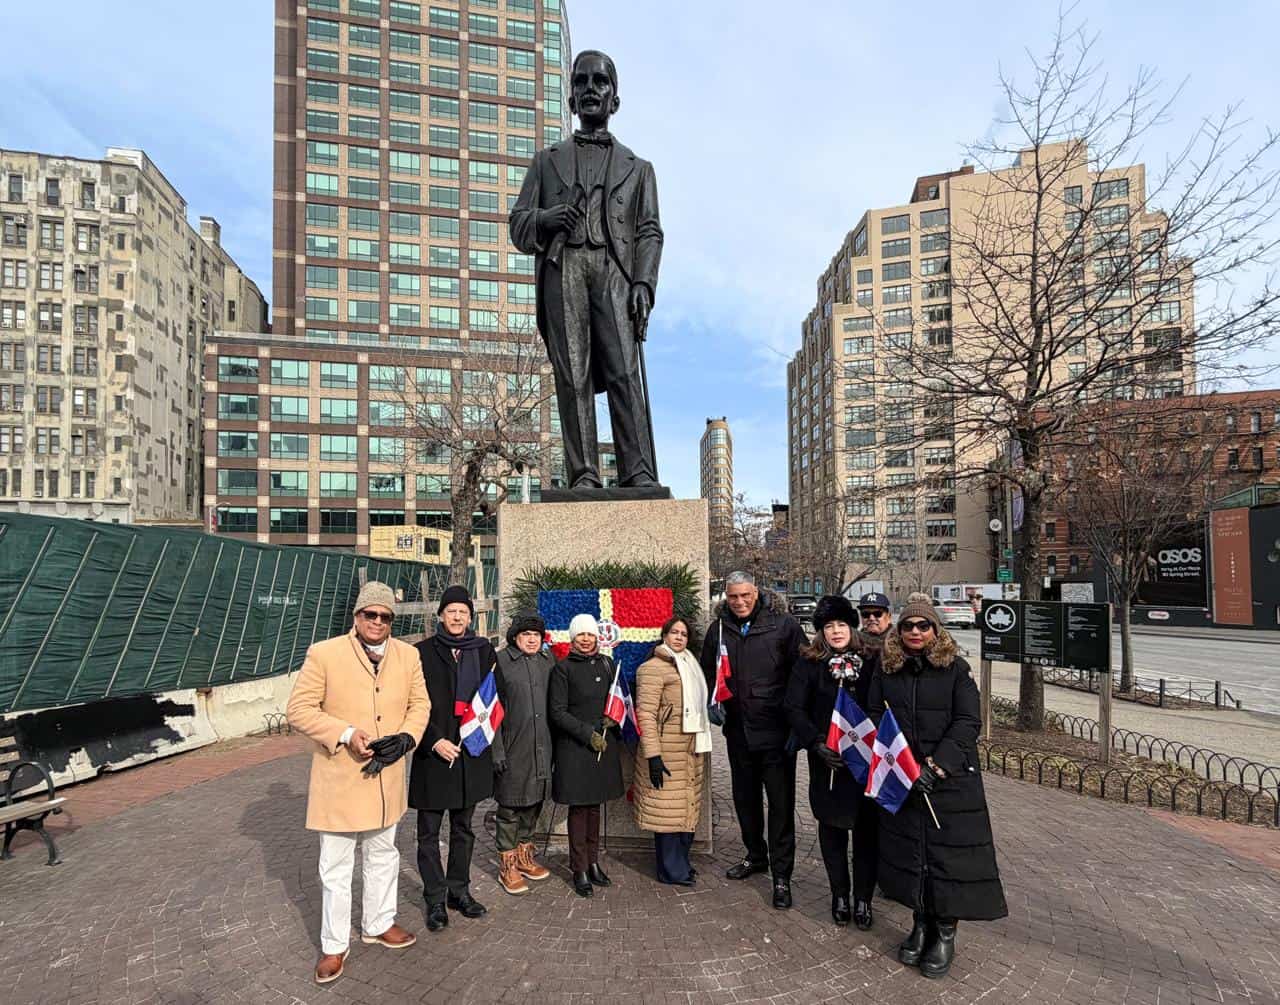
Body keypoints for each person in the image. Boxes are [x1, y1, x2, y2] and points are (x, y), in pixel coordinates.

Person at [508, 49, 663, 489]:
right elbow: (518, 225)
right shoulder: (545, 162)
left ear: (614, 98)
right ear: (572, 99)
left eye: (600, 82)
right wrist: (547, 218)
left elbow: (650, 231)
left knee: (623, 372)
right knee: (571, 373)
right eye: (582, 82)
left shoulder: (640, 169)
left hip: (615, 272)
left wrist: (643, 284)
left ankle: (638, 470)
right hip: (564, 267)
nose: (591, 89)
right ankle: (584, 473)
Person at [286, 581, 430, 985]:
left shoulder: (408, 655)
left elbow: (420, 703)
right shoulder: (325, 653)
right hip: (341, 778)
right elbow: (298, 710)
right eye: (371, 614)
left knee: (384, 853)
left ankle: (379, 922)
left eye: (385, 616)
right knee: (335, 866)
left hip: (386, 777)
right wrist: (346, 733)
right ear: (357, 616)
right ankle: (334, 945)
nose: (378, 622)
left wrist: (407, 737)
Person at [867, 599, 1009, 979]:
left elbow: (967, 720)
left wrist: (937, 765)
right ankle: (920, 922)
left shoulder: (955, 669)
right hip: (905, 777)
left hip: (949, 783)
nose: (915, 632)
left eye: (923, 626)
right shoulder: (887, 668)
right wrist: (902, 762)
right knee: (913, 853)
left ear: (935, 631)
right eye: (909, 625)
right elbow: (875, 713)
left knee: (947, 858)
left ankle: (944, 930)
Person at [699, 571, 806, 909]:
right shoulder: (718, 630)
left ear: (756, 593)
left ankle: (781, 875)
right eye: (733, 597)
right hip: (738, 732)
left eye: (745, 595)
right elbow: (707, 672)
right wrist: (712, 703)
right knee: (744, 799)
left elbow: (801, 676)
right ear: (725, 598)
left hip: (776, 734)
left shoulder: (784, 625)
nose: (740, 602)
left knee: (780, 805)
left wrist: (796, 727)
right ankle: (755, 854)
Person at [784, 595, 881, 931]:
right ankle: (840, 894)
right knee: (832, 830)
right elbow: (794, 707)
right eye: (829, 626)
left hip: (866, 763)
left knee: (867, 834)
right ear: (820, 631)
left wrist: (869, 737)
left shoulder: (872, 659)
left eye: (841, 624)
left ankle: (863, 898)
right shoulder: (809, 662)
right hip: (828, 763)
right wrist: (815, 742)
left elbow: (882, 705)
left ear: (851, 626)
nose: (836, 631)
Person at [409, 585, 498, 932]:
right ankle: (434, 899)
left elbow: (493, 699)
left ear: (470, 617)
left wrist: (480, 738)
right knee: (429, 833)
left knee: (463, 829)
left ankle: (458, 892)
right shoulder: (421, 653)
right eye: (451, 611)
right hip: (434, 756)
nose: (457, 617)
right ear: (441, 615)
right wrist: (434, 741)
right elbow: (411, 703)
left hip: (469, 756)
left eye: (463, 611)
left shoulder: (483, 650)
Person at [632, 616, 712, 886]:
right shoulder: (652, 668)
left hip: (690, 751)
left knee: (685, 811)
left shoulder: (690, 665)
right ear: (663, 635)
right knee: (666, 813)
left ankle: (682, 863)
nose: (679, 637)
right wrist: (653, 755)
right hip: (666, 752)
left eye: (684, 634)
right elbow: (646, 715)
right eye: (674, 632)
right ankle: (670, 870)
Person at [549, 614, 625, 897]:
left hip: (602, 746)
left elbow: (617, 699)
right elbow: (557, 712)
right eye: (580, 634)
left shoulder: (607, 665)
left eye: (590, 634)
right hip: (576, 747)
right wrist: (586, 733)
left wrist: (613, 719)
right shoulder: (563, 669)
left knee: (595, 807)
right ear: (572, 637)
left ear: (597, 637)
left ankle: (594, 862)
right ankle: (578, 867)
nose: (585, 639)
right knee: (579, 809)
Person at [492, 612, 555, 895]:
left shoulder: (547, 661)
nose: (531, 639)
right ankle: (507, 865)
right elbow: (489, 708)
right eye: (526, 635)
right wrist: (496, 750)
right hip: (512, 746)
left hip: (542, 745)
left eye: (536, 635)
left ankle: (525, 856)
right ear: (515, 638)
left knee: (534, 801)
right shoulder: (501, 662)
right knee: (509, 806)